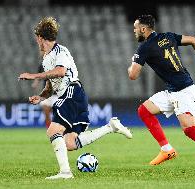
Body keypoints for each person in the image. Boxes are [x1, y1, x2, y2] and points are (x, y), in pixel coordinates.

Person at [18, 17, 132, 179]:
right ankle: (110, 127)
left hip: (71, 92)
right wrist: (41, 96)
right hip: (74, 95)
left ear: (41, 38)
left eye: (37, 38)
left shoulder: (60, 51)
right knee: (69, 143)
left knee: (53, 130)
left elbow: (61, 72)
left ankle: (65, 173)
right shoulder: (46, 58)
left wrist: (32, 75)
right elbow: (51, 84)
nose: (36, 41)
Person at [128, 15, 195, 176]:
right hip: (173, 90)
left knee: (190, 129)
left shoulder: (144, 48)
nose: (134, 31)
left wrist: (132, 64)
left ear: (143, 29)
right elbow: (194, 40)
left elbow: (133, 75)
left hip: (182, 91)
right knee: (144, 110)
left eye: (136, 28)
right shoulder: (168, 36)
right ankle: (167, 149)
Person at [31, 63, 58, 128]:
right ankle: (49, 128)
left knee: (57, 113)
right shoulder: (42, 65)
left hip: (57, 94)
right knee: (46, 111)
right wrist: (35, 83)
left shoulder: (58, 64)